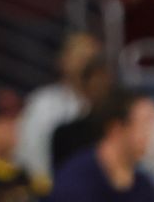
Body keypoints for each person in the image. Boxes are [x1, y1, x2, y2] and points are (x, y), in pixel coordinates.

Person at [14, 32, 101, 188]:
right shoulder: (42, 102)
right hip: (48, 187)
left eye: (90, 57)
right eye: (78, 55)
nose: (84, 63)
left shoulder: (106, 104)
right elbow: (28, 153)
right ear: (63, 60)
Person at [49, 88, 154, 202]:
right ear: (116, 130)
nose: (152, 133)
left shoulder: (145, 186)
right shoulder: (74, 183)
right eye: (146, 123)